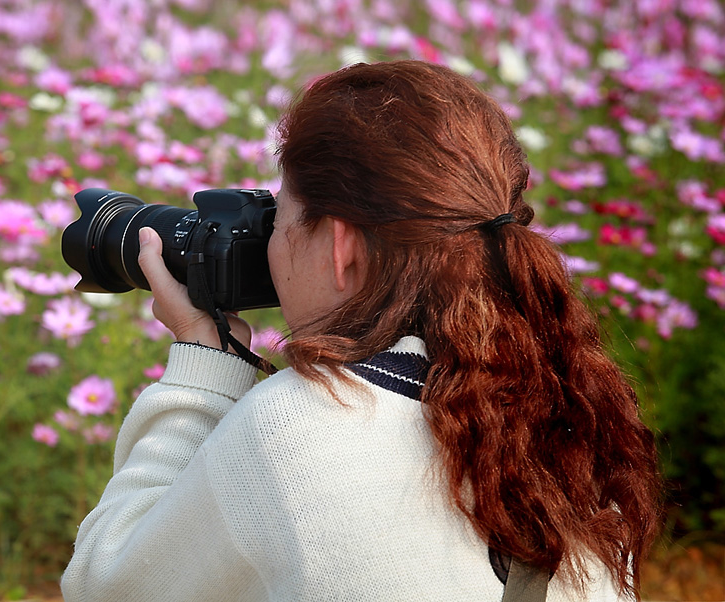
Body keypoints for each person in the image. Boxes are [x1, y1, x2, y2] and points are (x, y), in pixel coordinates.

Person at [59, 61, 663, 601]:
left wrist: (203, 363)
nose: (269, 241)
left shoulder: (302, 424)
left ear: (342, 244)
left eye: (283, 215)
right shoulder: (565, 413)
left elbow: (108, 585)